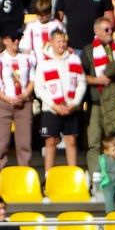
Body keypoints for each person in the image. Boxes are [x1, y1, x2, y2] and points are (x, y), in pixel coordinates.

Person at [35, 28, 86, 172]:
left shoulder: (74, 59)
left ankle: (73, 176)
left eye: (64, 41)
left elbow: (81, 82)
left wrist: (75, 103)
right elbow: (39, 88)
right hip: (51, 109)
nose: (62, 44)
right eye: (58, 41)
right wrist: (54, 106)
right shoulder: (44, 63)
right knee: (50, 141)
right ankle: (48, 176)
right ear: (51, 42)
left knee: (71, 141)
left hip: (71, 107)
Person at [81, 16, 115, 175]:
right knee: (94, 142)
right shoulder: (87, 51)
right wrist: (96, 80)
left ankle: (114, 175)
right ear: (96, 31)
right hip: (96, 102)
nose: (110, 32)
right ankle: (96, 178)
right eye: (106, 30)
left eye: (112, 29)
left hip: (114, 103)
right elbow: (80, 76)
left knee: (113, 141)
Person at [0, 29, 34, 172]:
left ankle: (24, 171)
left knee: (24, 141)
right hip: (3, 102)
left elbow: (32, 80)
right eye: (13, 38)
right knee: (1, 141)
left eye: (18, 38)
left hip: (23, 102)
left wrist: (24, 95)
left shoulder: (26, 59)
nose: (16, 41)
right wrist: (5, 98)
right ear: (5, 40)